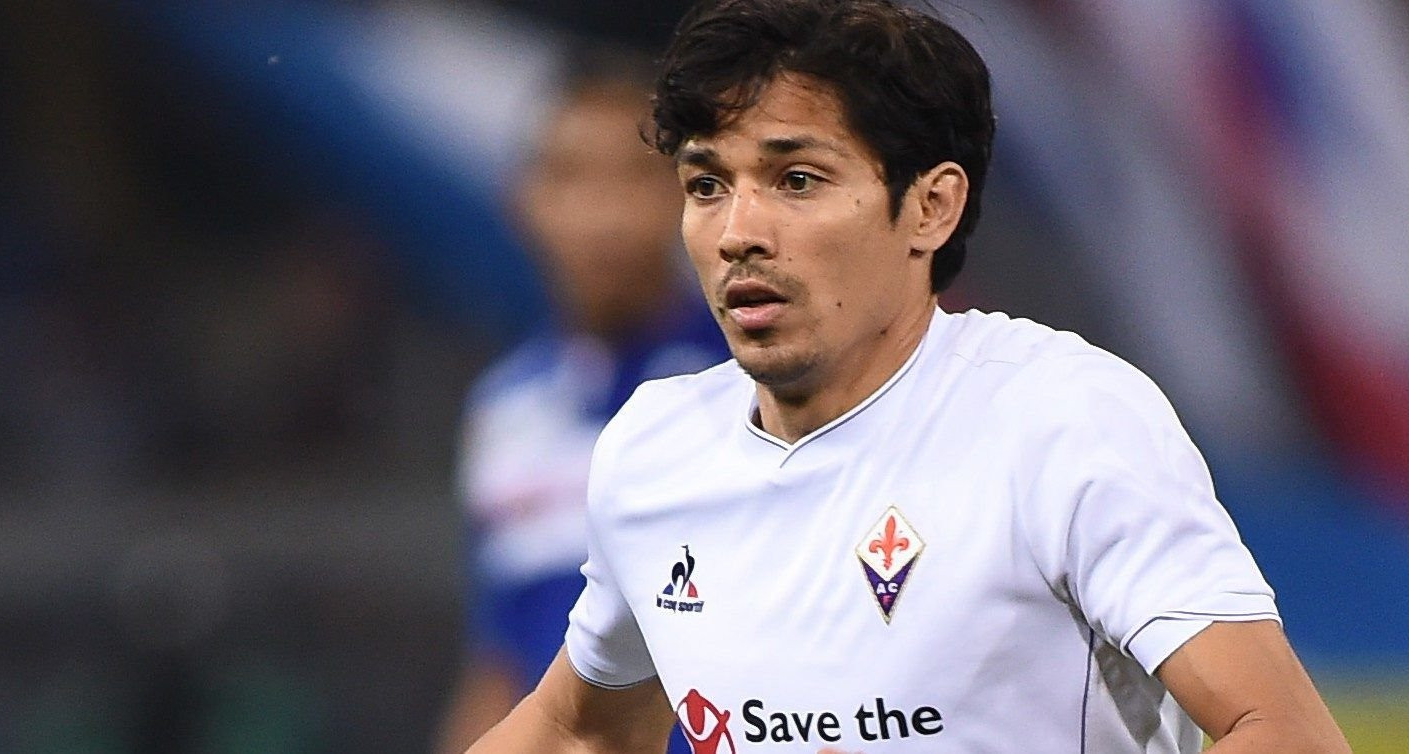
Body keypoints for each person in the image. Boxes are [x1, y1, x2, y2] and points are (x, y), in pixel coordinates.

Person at [470, 1, 1352, 752]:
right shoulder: (655, 449)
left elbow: (1278, 729)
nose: (738, 231)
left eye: (796, 179)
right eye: (706, 185)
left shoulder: (1061, 418)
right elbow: (578, 730)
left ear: (931, 206)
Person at [434, 47, 724, 754]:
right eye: (571, 177)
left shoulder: (745, 381)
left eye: (632, 176)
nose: (603, 215)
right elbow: (500, 656)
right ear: (522, 199)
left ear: (687, 193)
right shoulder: (503, 409)